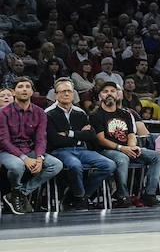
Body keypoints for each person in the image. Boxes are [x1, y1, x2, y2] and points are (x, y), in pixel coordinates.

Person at [90, 80, 160, 208]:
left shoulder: (125, 114)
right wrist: (121, 148)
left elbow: (131, 134)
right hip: (106, 150)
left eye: (112, 91)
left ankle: (149, 194)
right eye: (105, 91)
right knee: (122, 158)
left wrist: (132, 147)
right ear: (99, 96)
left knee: (156, 156)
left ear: (117, 95)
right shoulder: (96, 115)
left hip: (126, 147)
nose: (109, 94)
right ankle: (122, 195)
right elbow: (101, 139)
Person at [46, 77, 115, 209]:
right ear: (56, 95)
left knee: (109, 165)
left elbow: (90, 135)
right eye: (62, 91)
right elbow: (55, 140)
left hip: (81, 150)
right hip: (60, 151)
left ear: (73, 94)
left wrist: (69, 133)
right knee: (75, 165)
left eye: (69, 91)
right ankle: (79, 196)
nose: (66, 94)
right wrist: (79, 136)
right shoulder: (48, 114)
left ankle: (79, 195)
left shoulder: (80, 113)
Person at [0, 78, 63, 213]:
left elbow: (41, 138)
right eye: (20, 87)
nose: (24, 89)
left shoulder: (40, 113)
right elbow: (4, 141)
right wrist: (24, 158)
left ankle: (19, 194)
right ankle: (16, 190)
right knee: (17, 165)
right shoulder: (3, 112)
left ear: (32, 92)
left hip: (29, 150)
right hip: (7, 151)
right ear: (13, 92)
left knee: (56, 164)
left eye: (27, 87)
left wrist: (39, 157)